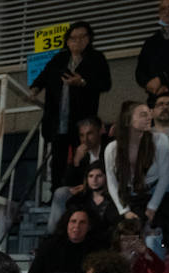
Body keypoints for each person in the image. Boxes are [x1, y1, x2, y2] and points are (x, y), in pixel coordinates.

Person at [31, 21, 113, 188]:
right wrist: (34, 90)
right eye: (73, 38)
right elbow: (44, 76)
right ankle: (57, 192)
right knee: (57, 159)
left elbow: (105, 84)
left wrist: (82, 82)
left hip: (82, 120)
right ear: (67, 41)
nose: (78, 41)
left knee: (82, 156)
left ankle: (81, 191)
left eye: (82, 37)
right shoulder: (59, 58)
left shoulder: (96, 58)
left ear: (89, 39)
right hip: (58, 118)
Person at [104, 101, 169, 232]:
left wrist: (152, 207)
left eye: (149, 114)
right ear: (128, 120)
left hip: (153, 193)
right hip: (127, 195)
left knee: (162, 220)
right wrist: (124, 211)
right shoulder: (112, 149)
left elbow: (165, 177)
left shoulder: (160, 140)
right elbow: (112, 183)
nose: (149, 118)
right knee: (115, 222)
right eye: (143, 114)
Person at [27, 208, 106, 273]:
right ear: (66, 224)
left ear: (89, 226)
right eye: (73, 221)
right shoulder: (49, 245)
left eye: (82, 222)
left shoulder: (98, 249)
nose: (77, 226)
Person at [46, 118, 108, 233]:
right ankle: (53, 235)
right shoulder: (80, 152)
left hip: (104, 189)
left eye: (89, 134)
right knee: (60, 192)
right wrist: (76, 161)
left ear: (99, 132)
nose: (85, 139)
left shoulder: (108, 149)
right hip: (83, 191)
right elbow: (68, 182)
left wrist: (86, 186)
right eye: (82, 135)